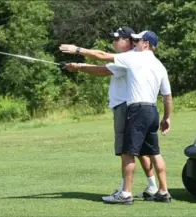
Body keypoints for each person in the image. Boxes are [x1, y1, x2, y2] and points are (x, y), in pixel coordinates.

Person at [61, 30, 173, 205]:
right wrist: (167, 118)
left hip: (137, 110)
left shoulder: (135, 57)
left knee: (128, 152)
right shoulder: (159, 65)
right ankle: (163, 191)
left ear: (147, 44)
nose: (134, 43)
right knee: (154, 152)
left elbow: (102, 56)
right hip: (152, 110)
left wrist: (78, 50)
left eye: (137, 40)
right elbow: (167, 97)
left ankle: (126, 194)